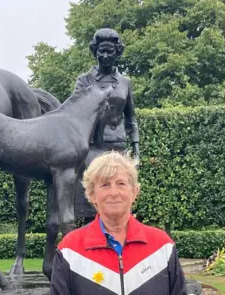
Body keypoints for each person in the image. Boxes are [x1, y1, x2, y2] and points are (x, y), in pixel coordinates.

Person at [50, 151, 187, 295]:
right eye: (105, 185)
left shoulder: (162, 246)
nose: (114, 192)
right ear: (92, 195)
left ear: (134, 192)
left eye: (121, 183)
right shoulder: (70, 250)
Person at [73, 28, 141, 221]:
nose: (104, 55)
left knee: (118, 198)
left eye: (109, 51)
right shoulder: (84, 81)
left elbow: (131, 119)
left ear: (117, 52)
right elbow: (74, 115)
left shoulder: (125, 82)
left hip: (118, 146)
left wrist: (136, 148)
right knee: (92, 200)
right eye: (101, 51)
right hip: (93, 148)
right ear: (95, 51)